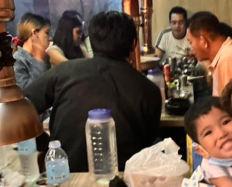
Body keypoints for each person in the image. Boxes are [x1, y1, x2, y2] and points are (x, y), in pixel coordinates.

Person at [22, 11, 162, 173]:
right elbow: (147, 144)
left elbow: (21, 109)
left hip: (64, 178)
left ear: (92, 42)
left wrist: (46, 144)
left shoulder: (64, 71)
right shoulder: (148, 90)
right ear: (134, 43)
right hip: (123, 182)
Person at [186, 11, 232, 99]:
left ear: (203, 41)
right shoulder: (225, 54)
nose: (191, 49)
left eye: (191, 42)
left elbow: (231, 106)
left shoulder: (228, 59)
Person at [13, 13, 53, 92]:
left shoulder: (47, 57)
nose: (49, 38)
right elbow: (26, 92)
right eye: (47, 33)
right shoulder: (18, 60)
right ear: (34, 33)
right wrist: (39, 59)